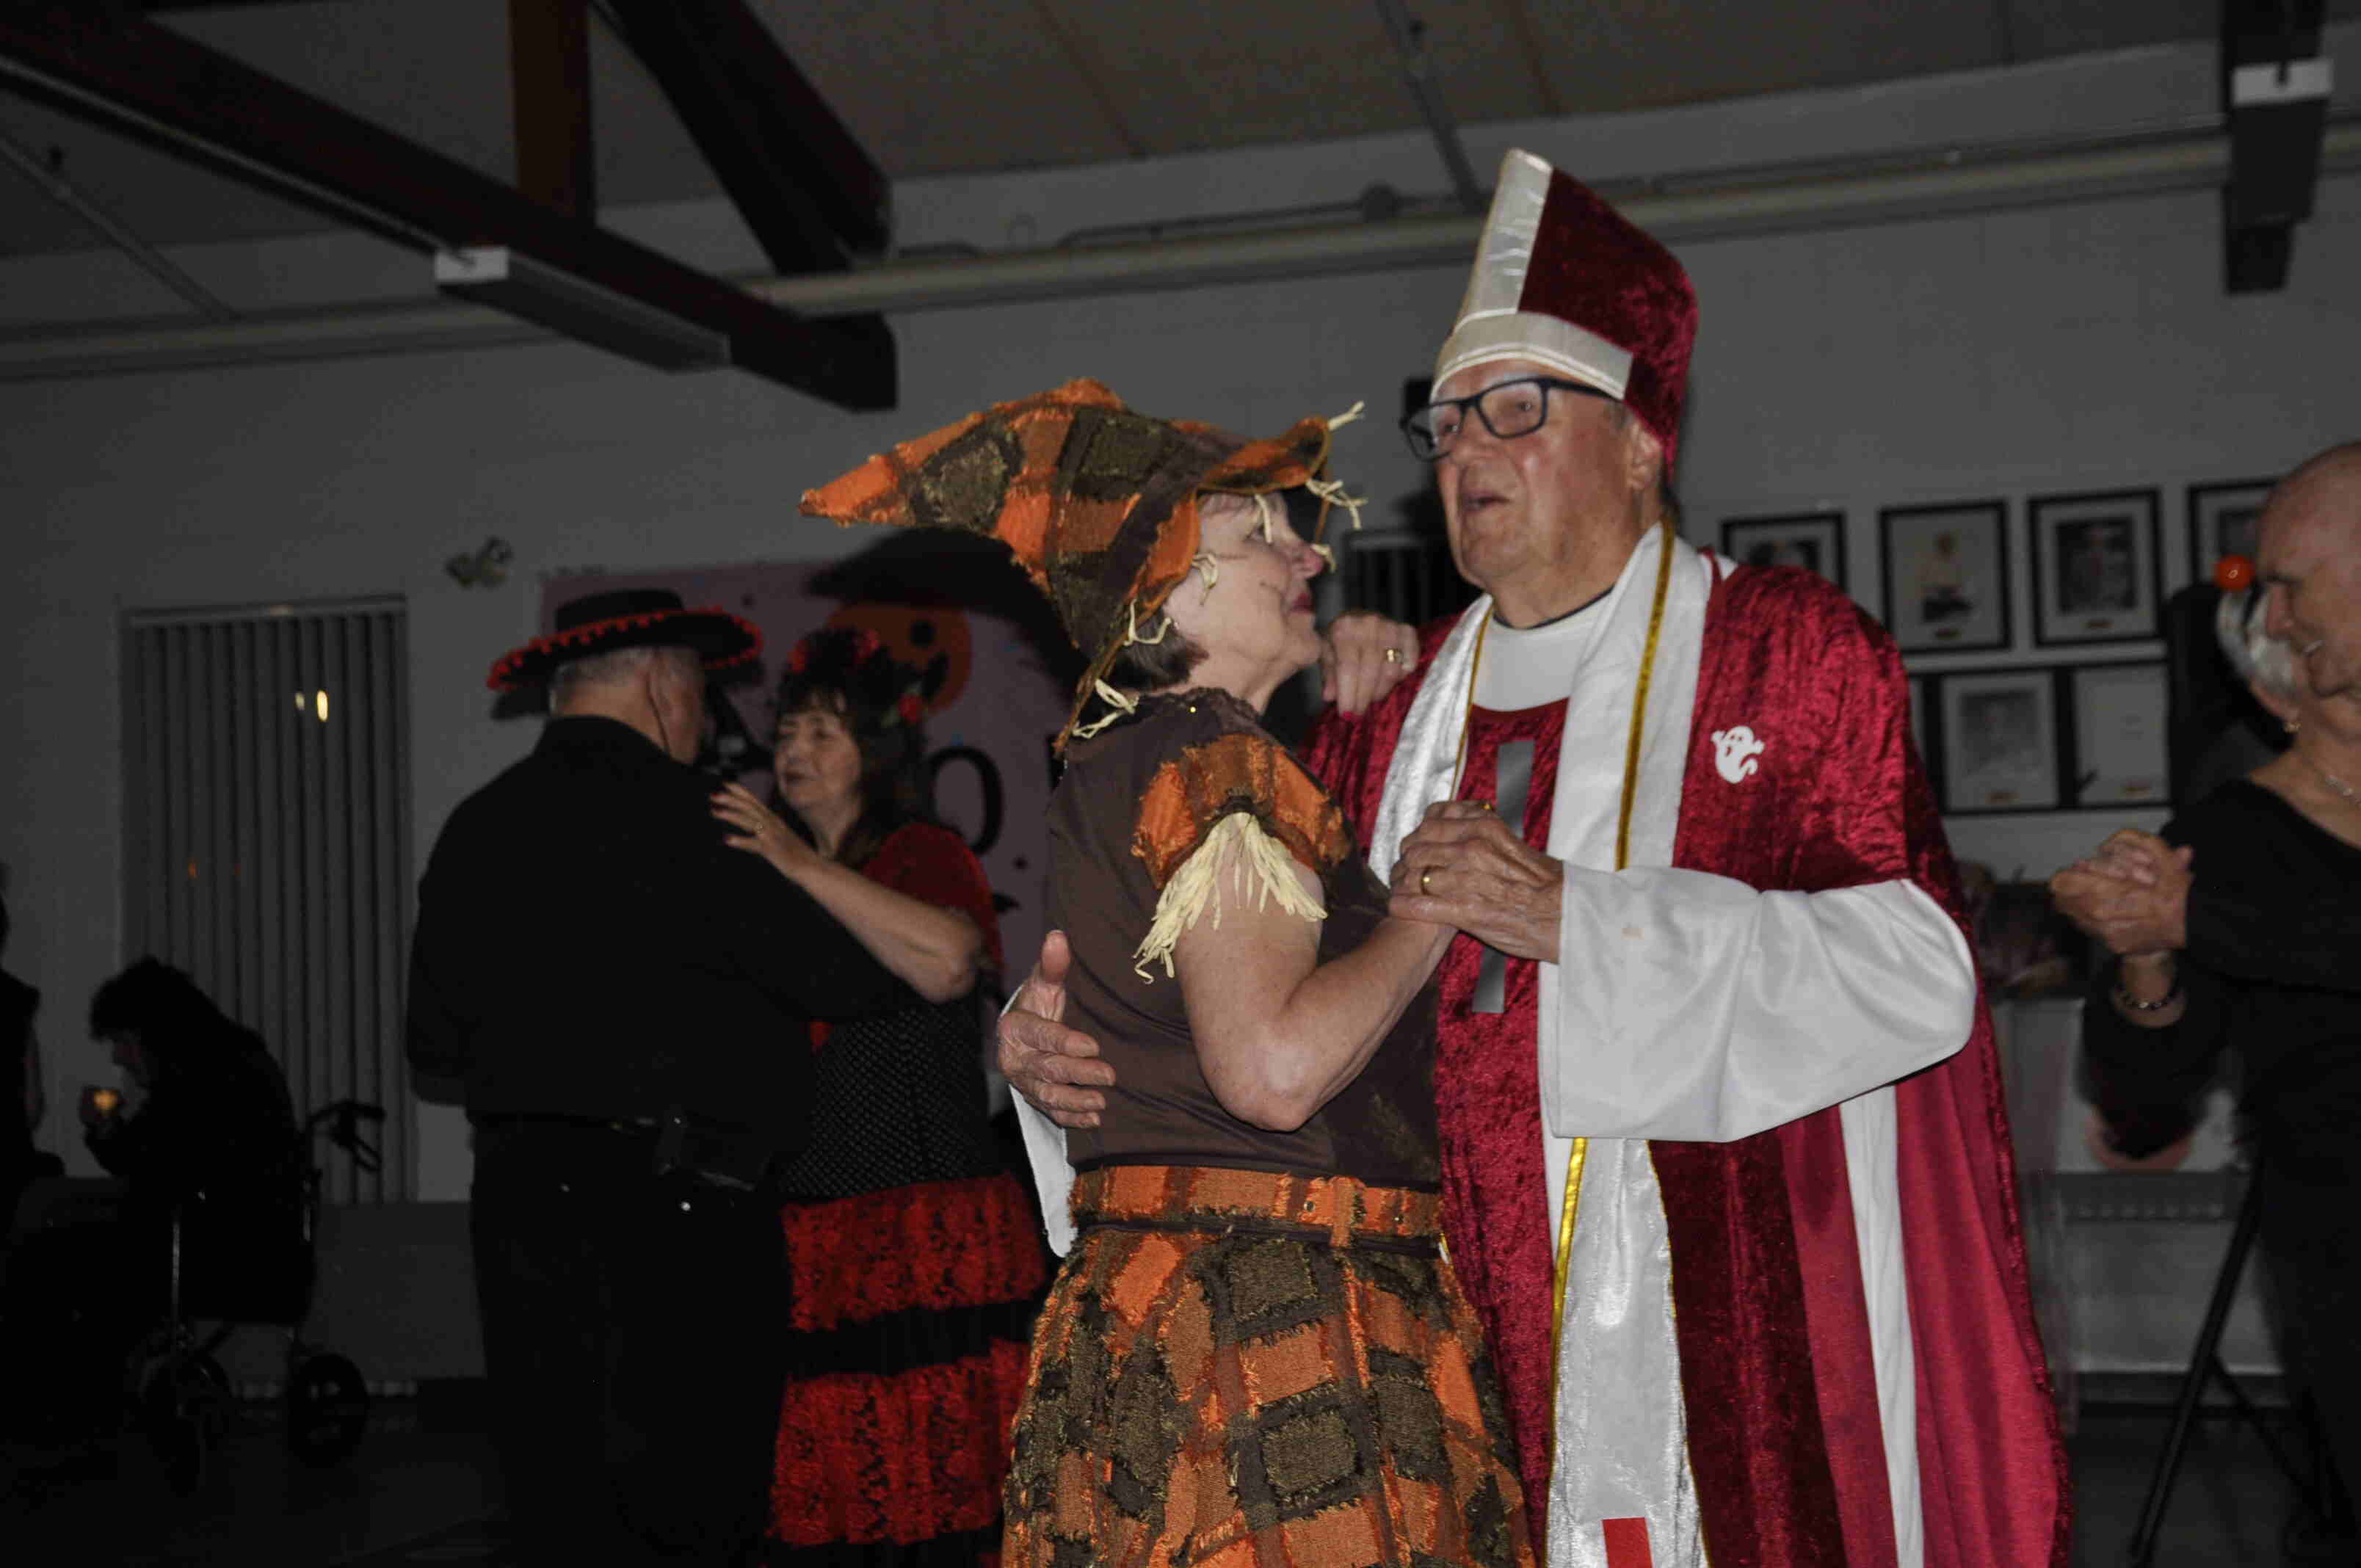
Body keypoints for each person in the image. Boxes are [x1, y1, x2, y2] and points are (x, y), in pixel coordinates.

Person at [1001, 151, 2065, 1568]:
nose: (1462, 453)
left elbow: (1922, 971)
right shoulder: (1382, 711)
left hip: (1717, 1315)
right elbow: (1248, 992)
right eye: (1443, 424)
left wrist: (1589, 921)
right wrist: (1054, 1048)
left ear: (1639, 443)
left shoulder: (1787, 652)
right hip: (1409, 1328)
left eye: (1515, 409)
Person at [800, 381, 1537, 1568]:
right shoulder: (1217, 761)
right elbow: (1274, 1073)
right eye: (1261, 535)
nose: (1309, 555)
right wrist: (1429, 908)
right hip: (1280, 1318)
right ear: (1174, 588)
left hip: (1164, 1301)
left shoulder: (1124, 759)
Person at [405, 589, 914, 1567]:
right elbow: (849, 980)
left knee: (557, 1497)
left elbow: (431, 1048)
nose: (706, 717)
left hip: (522, 1207)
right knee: (693, 1498)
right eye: (701, 691)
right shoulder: (704, 821)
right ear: (661, 683)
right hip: (681, 1214)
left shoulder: (475, 827)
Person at [2051, 442, 2361, 1553]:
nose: (2270, 613)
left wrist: (2200, 924)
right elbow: (2143, 1095)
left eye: (2290, 582)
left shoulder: (2215, 895)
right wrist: (2145, 959)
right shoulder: (2228, 841)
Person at [706, 624, 1048, 1565]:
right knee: (838, 1493)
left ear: (873, 750)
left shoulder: (918, 849)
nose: (795, 751)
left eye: (822, 733)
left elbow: (948, 963)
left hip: (922, 1216)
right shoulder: (762, 876)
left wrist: (799, 862)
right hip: (812, 1214)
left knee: (939, 1484)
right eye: (787, 733)